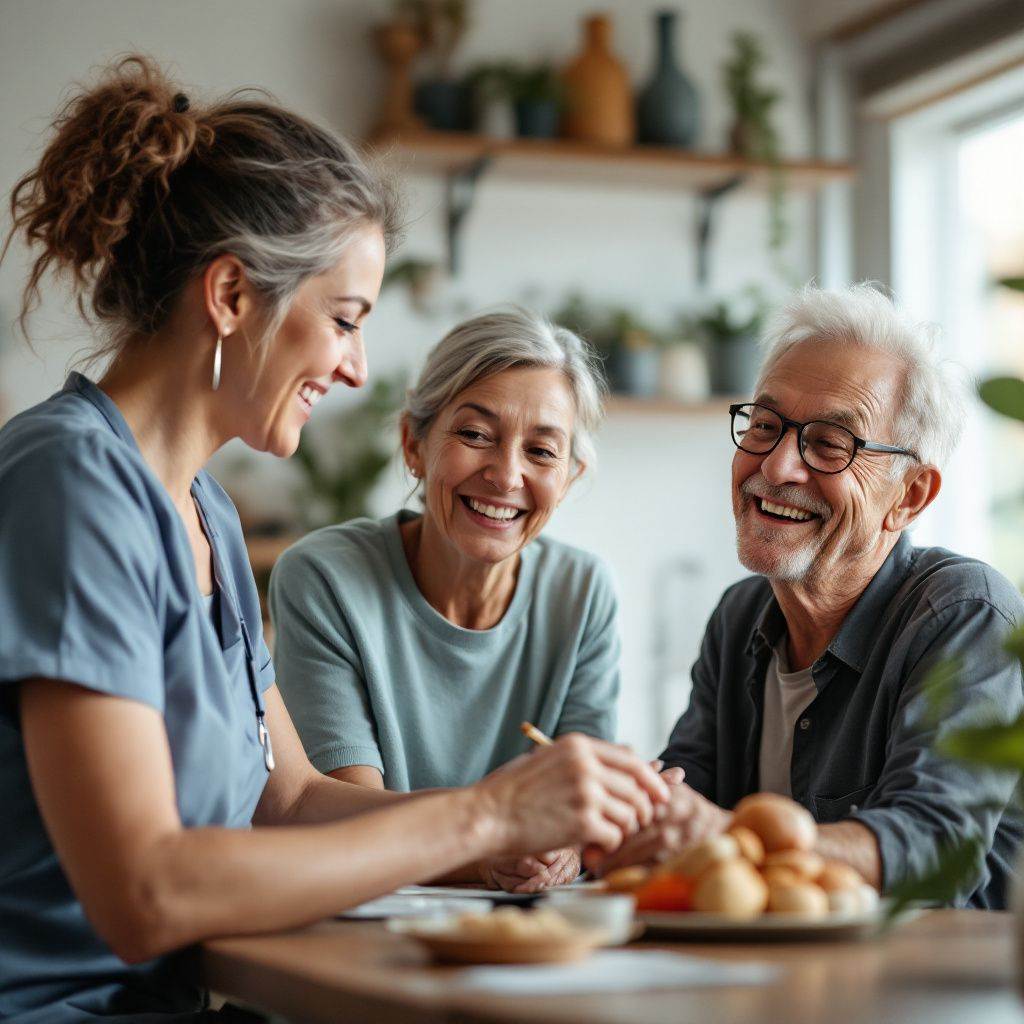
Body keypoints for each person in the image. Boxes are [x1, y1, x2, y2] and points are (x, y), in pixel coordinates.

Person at [0, 57, 668, 1023]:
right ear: (232, 296)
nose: (355, 367)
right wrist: (486, 812)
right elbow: (146, 893)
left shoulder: (205, 512)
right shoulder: (71, 486)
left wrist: (504, 835)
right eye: (345, 320)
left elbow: (289, 802)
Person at [594, 284, 1024, 908]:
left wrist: (728, 836)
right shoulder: (740, 617)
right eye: (766, 427)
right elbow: (686, 799)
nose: (776, 467)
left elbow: (935, 844)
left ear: (908, 496)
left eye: (829, 444)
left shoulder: (964, 614)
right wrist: (608, 825)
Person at [271, 308, 620, 893]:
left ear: (569, 477)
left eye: (541, 451)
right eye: (476, 435)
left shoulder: (582, 593)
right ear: (414, 443)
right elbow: (345, 818)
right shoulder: (325, 577)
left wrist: (562, 848)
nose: (506, 476)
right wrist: (490, 847)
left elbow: (581, 807)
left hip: (527, 932)